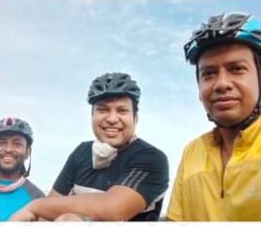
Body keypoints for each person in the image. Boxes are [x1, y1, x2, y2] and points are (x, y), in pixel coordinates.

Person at [166, 13, 261, 221]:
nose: (222, 83)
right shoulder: (192, 153)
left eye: (237, 69)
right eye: (208, 74)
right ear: (199, 89)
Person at [10, 73, 168, 221]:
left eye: (122, 110)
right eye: (103, 110)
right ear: (92, 116)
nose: (112, 118)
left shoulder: (151, 158)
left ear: (135, 118)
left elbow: (112, 209)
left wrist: (35, 206)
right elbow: (49, 208)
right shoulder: (82, 152)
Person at [0, 118, 45, 221]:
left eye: (17, 144)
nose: (8, 149)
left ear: (28, 152)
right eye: (1, 143)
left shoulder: (38, 198)